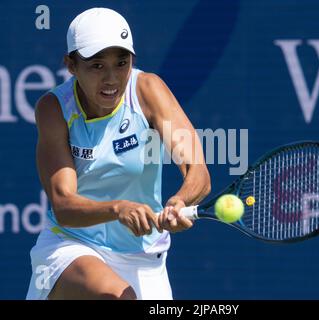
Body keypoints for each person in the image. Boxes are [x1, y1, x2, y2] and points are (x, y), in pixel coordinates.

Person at [26, 7, 211, 300]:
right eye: (97, 66)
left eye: (121, 63)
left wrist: (179, 201)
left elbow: (197, 170)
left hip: (146, 257)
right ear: (71, 65)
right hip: (72, 245)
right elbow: (64, 205)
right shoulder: (53, 108)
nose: (111, 78)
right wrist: (118, 208)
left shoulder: (148, 90)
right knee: (117, 296)